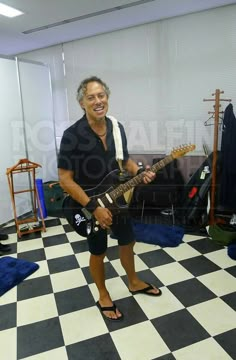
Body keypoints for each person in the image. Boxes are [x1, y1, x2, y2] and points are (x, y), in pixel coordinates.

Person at [58, 76, 162, 321]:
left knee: (128, 241)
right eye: (91, 97)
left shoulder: (116, 128)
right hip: (88, 204)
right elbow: (65, 179)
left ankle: (134, 281)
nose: (98, 101)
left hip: (116, 199)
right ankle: (103, 294)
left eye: (101, 95)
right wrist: (93, 208)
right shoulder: (71, 135)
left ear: (107, 97)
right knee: (99, 250)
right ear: (81, 103)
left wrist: (139, 172)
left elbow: (123, 159)